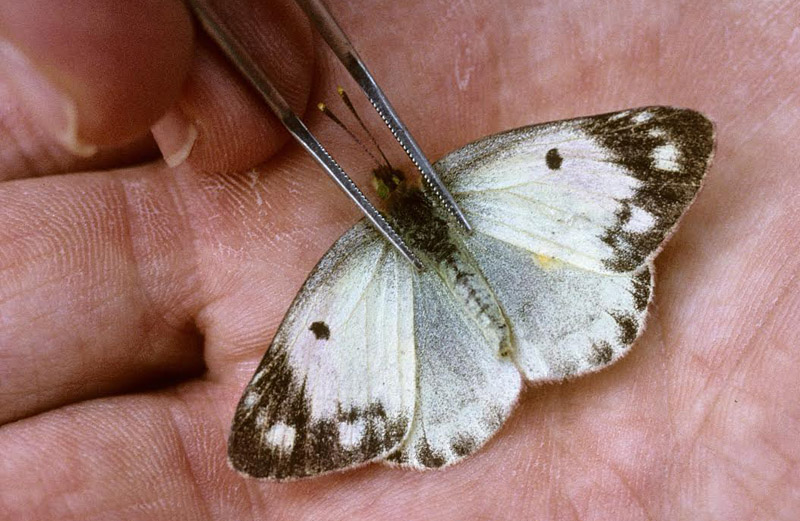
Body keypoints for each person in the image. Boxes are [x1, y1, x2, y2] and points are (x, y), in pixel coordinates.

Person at [1, 0, 798, 519]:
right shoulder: (490, 173)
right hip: (545, 292)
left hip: (479, 339)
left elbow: (665, 143)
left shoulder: (349, 267)